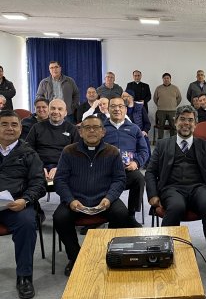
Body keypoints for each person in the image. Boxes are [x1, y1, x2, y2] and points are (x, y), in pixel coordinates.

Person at [145, 105, 206, 284]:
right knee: (176, 207)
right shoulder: (163, 145)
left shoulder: (205, 146)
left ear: (196, 124)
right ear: (176, 122)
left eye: (190, 120)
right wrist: (153, 195)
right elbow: (150, 171)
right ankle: (165, 256)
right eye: (183, 119)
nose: (186, 123)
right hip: (172, 188)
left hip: (199, 187)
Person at [53, 115, 130, 276]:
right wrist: (71, 200)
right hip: (76, 200)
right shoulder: (68, 151)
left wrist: (109, 198)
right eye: (87, 128)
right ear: (80, 132)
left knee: (122, 213)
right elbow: (60, 180)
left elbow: (119, 179)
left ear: (103, 132)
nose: (92, 131)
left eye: (96, 127)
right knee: (59, 218)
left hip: (104, 199)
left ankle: (110, 252)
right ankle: (75, 257)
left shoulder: (113, 152)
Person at [0, 110, 46, 299]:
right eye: (4, 124)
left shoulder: (29, 153)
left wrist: (25, 200)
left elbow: (39, 184)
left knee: (27, 223)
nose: (10, 128)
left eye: (14, 124)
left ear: (21, 128)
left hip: (15, 206)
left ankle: (24, 277)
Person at [103, 97, 149, 226]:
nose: (117, 109)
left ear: (125, 109)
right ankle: (101, 214)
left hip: (127, 171)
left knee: (139, 178)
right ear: (108, 108)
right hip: (106, 172)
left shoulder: (134, 129)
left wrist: (136, 163)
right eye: (113, 106)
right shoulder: (101, 128)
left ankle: (131, 215)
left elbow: (144, 151)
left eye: (120, 106)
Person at [26, 99, 79, 183]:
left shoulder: (72, 129)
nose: (55, 111)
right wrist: (38, 167)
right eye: (53, 108)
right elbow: (28, 150)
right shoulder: (36, 127)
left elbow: (77, 153)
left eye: (60, 109)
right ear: (48, 111)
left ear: (65, 113)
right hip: (39, 166)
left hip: (64, 167)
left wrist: (60, 168)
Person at [122, 89, 151, 166]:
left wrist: (145, 131)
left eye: (125, 96)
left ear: (131, 97)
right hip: (126, 133)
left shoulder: (140, 107)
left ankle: (146, 162)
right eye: (122, 96)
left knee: (145, 140)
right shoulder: (122, 108)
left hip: (139, 132)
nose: (123, 98)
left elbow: (147, 123)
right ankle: (128, 163)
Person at [153, 73, 182, 139]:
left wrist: (174, 105)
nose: (166, 79)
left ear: (170, 79)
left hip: (172, 111)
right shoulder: (158, 88)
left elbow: (179, 98)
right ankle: (160, 141)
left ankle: (173, 141)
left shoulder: (175, 88)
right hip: (161, 111)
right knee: (161, 126)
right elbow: (155, 98)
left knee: (173, 127)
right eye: (164, 78)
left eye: (167, 78)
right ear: (162, 79)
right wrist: (159, 105)